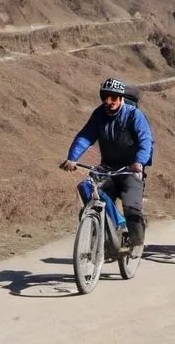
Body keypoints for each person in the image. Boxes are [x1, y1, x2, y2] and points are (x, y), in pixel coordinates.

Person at [61, 77, 153, 248]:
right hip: (107, 168)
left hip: (130, 170)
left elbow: (145, 141)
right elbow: (85, 136)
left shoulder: (134, 115)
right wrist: (72, 158)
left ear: (121, 98)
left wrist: (139, 163)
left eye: (113, 98)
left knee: (132, 208)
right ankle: (104, 230)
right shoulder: (99, 114)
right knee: (86, 187)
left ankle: (134, 241)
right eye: (105, 98)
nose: (109, 102)